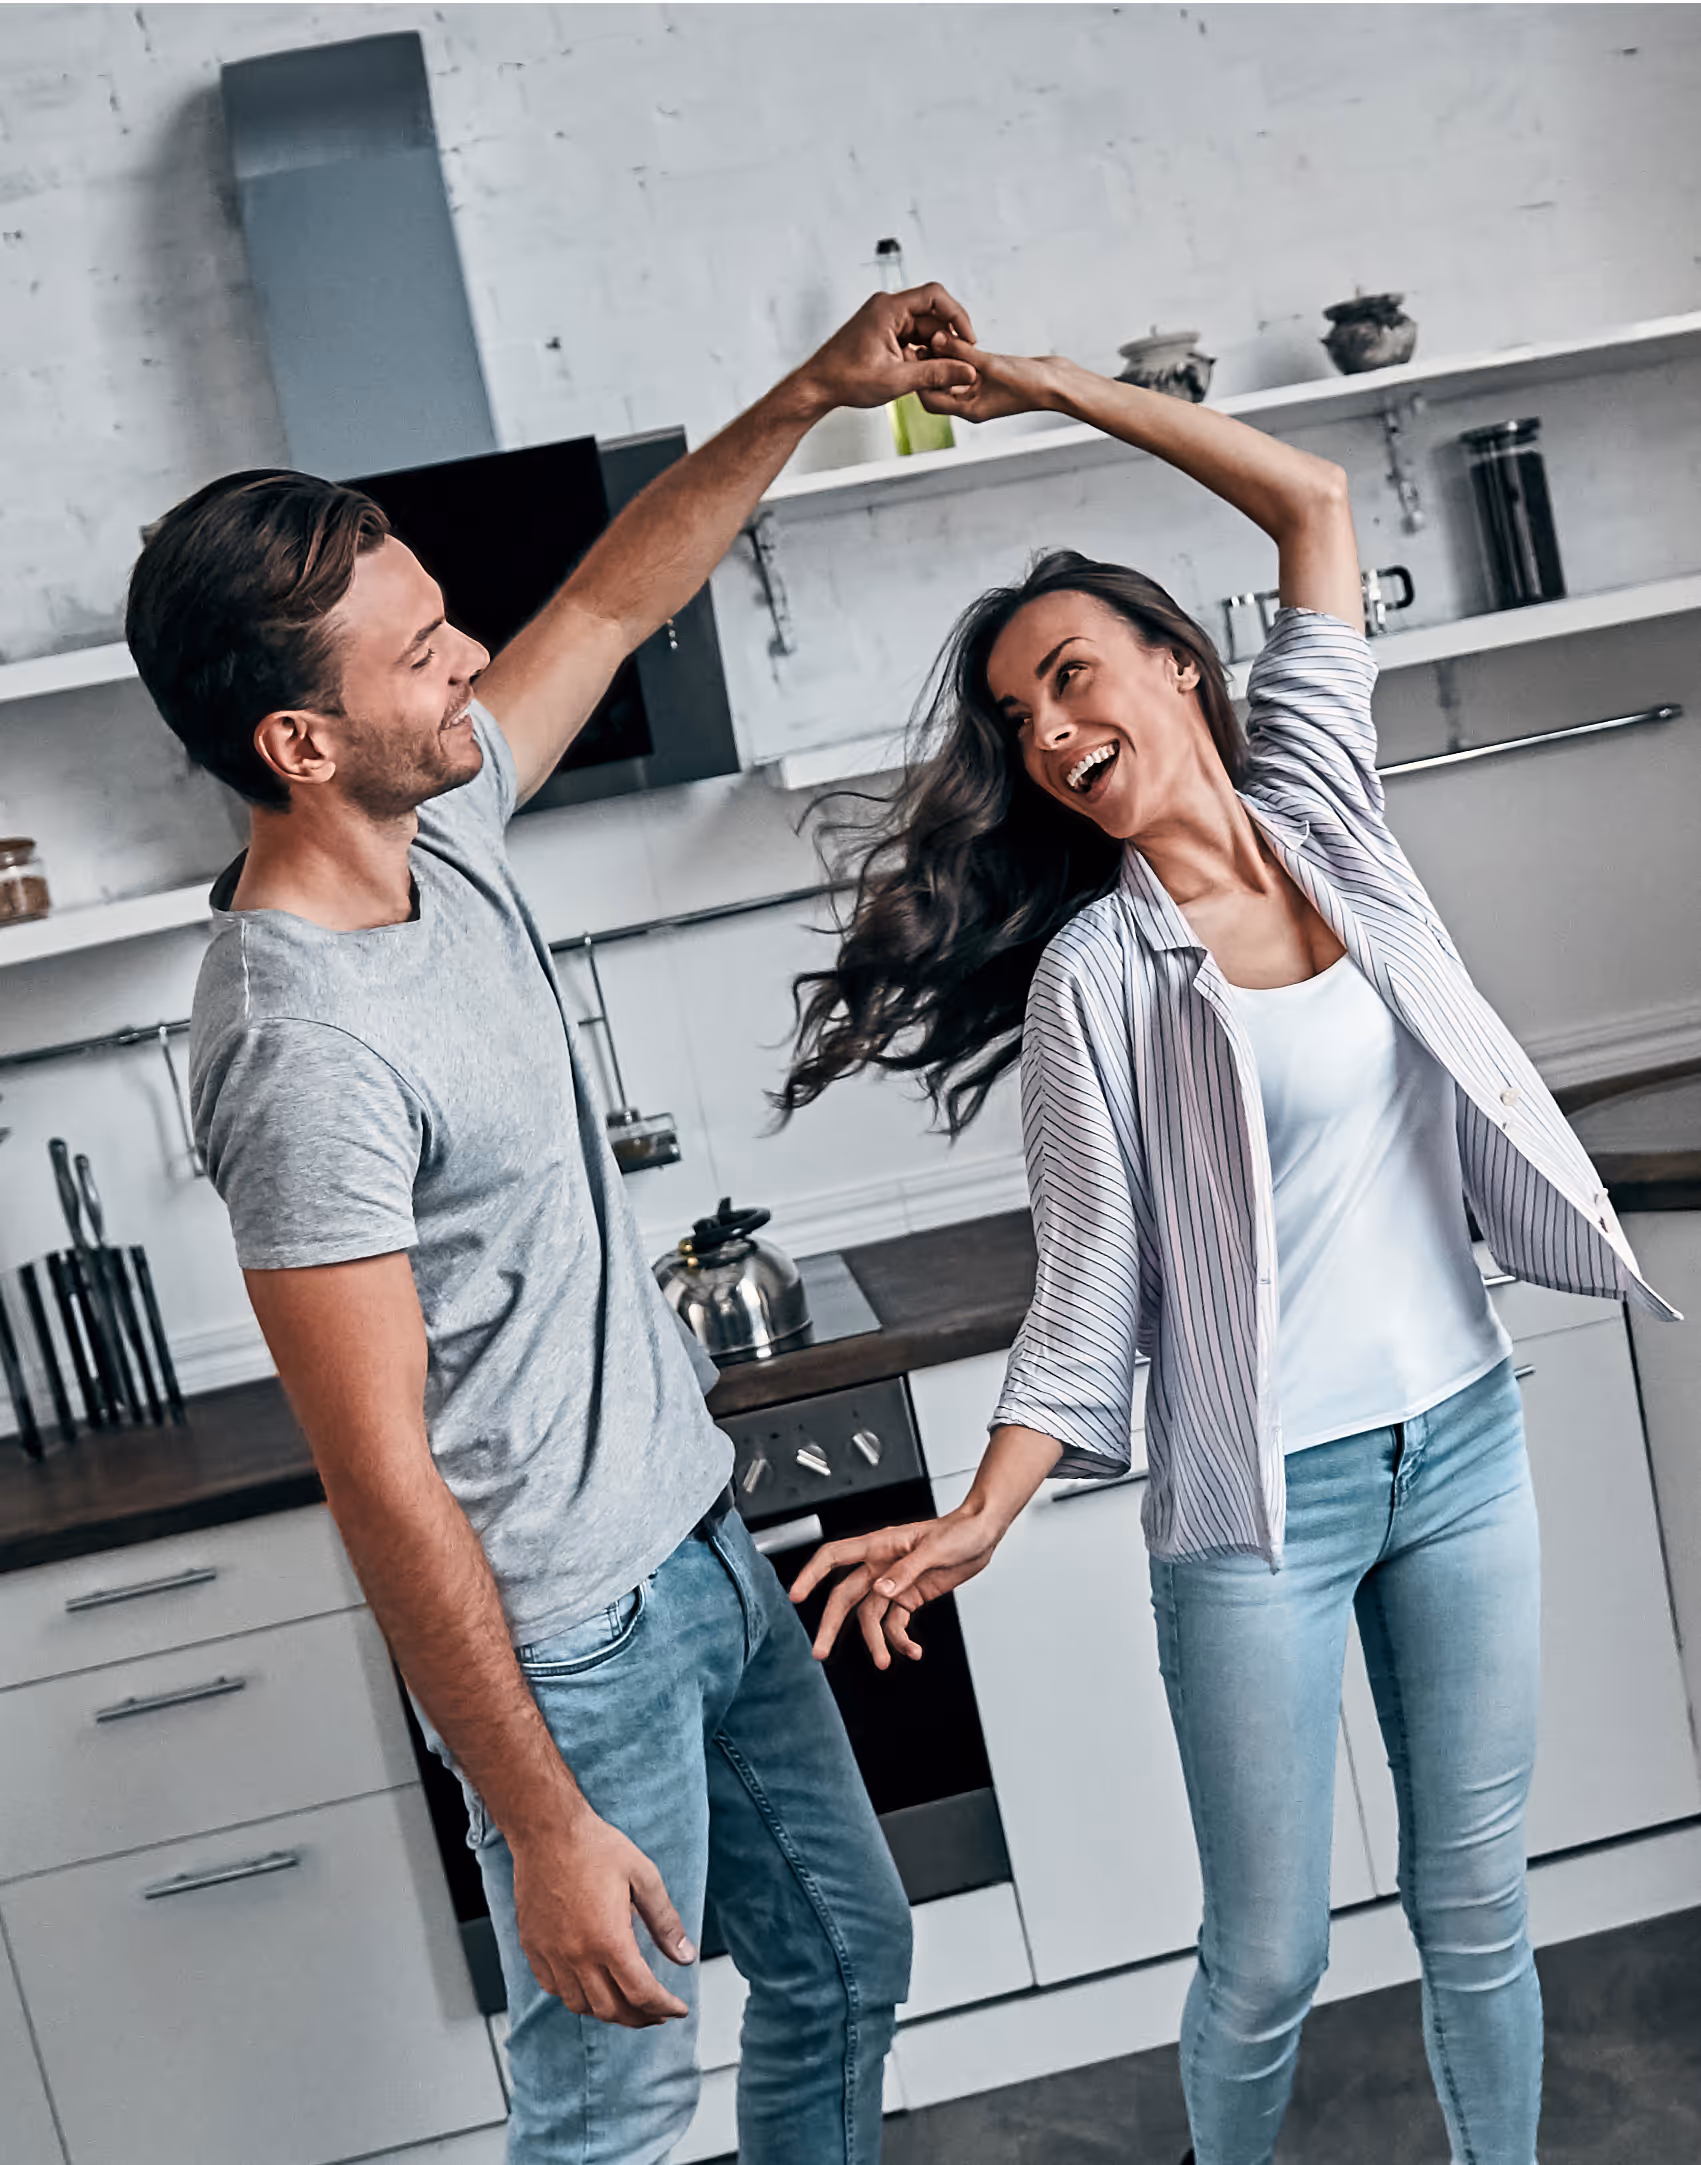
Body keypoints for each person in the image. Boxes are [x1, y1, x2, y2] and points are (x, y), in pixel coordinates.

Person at [782, 338, 1676, 2165]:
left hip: (1465, 1442)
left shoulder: (1326, 810)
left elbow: (1313, 500)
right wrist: (989, 1505)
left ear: (1178, 664)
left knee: (1478, 1908)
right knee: (1265, 1960)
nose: (1046, 730)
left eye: (1068, 674)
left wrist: (1046, 384)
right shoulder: (1091, 984)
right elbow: (1091, 1287)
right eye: (1019, 722)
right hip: (1257, 1509)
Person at [124, 283, 981, 2165]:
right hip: (568, 1646)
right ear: (296, 743)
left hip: (698, 1545)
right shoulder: (301, 1043)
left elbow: (608, 598)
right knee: (610, 2105)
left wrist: (815, 390)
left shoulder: (445, 831)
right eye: (422, 657)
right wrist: (536, 1821)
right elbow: (381, 1480)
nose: (474, 665)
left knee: (849, 1962)